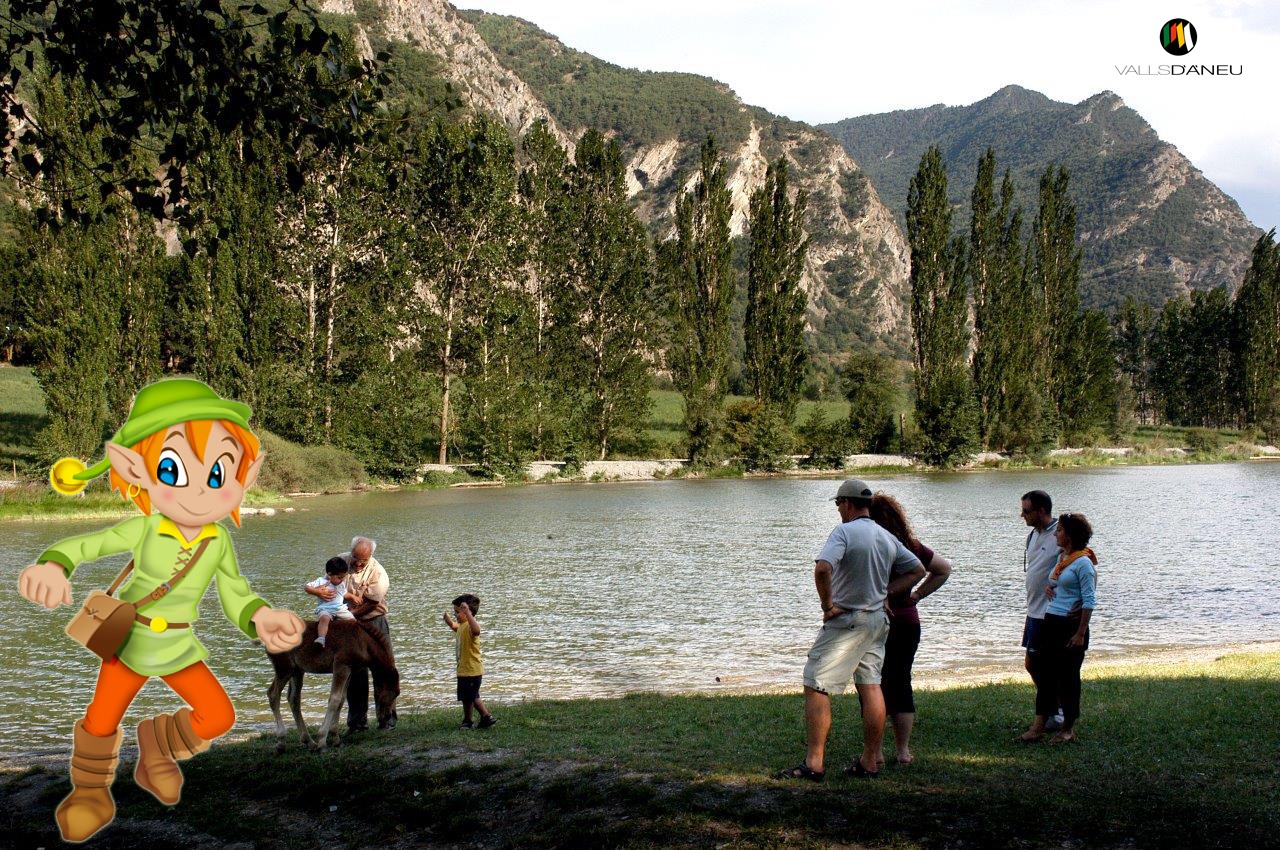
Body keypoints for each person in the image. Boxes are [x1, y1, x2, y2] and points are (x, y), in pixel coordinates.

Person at [17, 379, 304, 842]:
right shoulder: (146, 527)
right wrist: (53, 565)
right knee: (101, 720)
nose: (202, 492)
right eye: (173, 470)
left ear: (244, 477)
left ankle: (156, 745)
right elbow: (87, 545)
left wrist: (262, 618)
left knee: (218, 716)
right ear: (137, 469)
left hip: (177, 642)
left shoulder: (218, 540)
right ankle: (89, 793)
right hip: (129, 639)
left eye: (218, 475)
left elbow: (235, 594)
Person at [778, 479, 925, 782]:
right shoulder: (885, 536)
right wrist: (887, 593)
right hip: (877, 621)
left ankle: (814, 763)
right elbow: (917, 570)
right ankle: (870, 760)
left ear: (846, 503)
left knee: (816, 684)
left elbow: (822, 569)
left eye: (837, 505)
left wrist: (827, 606)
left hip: (847, 621)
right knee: (871, 685)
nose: (838, 510)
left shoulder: (844, 532)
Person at [868, 493, 952, 766]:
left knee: (874, 684)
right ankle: (903, 751)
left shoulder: (868, 546)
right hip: (907, 621)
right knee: (901, 681)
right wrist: (915, 596)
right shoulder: (911, 547)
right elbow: (943, 569)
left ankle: (876, 752)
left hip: (875, 621)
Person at [1023, 513, 1098, 744]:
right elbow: (1057, 584)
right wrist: (1049, 589)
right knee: (1045, 675)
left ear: (1071, 535)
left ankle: (1067, 729)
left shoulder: (1083, 562)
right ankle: (1039, 725)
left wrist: (1080, 632)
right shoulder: (1064, 559)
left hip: (1070, 626)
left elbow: (1089, 599)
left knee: (1068, 677)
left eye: (1060, 530)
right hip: (1051, 621)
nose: (1055, 533)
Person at [333, 536, 392, 732]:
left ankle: (386, 719)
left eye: (363, 561)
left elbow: (372, 603)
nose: (357, 564)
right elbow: (329, 585)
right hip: (349, 625)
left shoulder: (378, 572)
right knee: (354, 673)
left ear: (371, 556)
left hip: (374, 622)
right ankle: (357, 723)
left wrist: (349, 614)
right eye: (355, 558)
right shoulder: (341, 562)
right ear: (351, 553)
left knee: (382, 671)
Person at [1019, 490, 1065, 734]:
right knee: (1031, 664)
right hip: (1033, 610)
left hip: (1050, 613)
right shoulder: (1032, 535)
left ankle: (1055, 713)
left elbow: (1077, 561)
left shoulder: (1060, 533)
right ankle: (1054, 707)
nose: (1022, 515)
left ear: (1041, 511)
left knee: (1043, 665)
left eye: (1026, 511)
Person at [443, 594, 496, 729]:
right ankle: (483, 718)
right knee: (469, 697)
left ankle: (472, 720)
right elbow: (457, 628)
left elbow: (477, 630)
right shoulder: (462, 626)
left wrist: (467, 613)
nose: (455, 615)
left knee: (470, 697)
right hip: (464, 670)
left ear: (468, 612)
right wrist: (450, 623)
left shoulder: (471, 627)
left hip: (472, 670)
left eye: (458, 612)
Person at [304, 556, 356, 646]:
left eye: (343, 577)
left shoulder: (341, 584)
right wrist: (316, 591)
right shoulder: (321, 581)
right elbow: (307, 587)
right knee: (324, 619)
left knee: (353, 620)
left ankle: (350, 639)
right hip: (326, 609)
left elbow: (344, 594)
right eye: (339, 577)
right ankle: (321, 638)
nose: (342, 580)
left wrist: (353, 597)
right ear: (329, 574)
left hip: (339, 609)